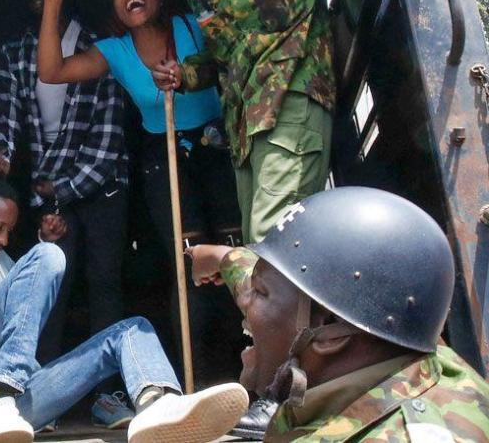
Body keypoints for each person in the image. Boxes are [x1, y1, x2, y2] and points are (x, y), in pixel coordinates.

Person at [0, 149, 249, 443]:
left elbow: (29, 287)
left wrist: (44, 242)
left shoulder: (7, 266)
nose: (3, 239)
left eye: (9, 232)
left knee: (133, 329)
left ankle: (158, 406)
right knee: (49, 257)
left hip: (8, 412)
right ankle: (4, 393)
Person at [34, 0, 244, 384]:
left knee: (239, 253)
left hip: (219, 149)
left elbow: (234, 59)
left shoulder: (192, 27)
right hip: (162, 157)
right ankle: (195, 377)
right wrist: (53, 0)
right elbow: (51, 71)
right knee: (188, 264)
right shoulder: (115, 50)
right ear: (113, 4)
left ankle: (251, 366)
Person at [157, 0, 386, 243]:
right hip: (243, 125)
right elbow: (227, 56)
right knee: (262, 245)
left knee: (273, 243)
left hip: (290, 99)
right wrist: (184, 75)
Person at [188, 187, 489, 441]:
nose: (246, 302)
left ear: (329, 330)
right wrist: (225, 257)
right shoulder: (404, 342)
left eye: (260, 293)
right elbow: (297, 291)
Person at [0, 0, 133, 428]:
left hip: (99, 184)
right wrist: (0, 159)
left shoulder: (97, 47)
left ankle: (108, 396)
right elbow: (5, 116)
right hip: (50, 189)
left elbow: (108, 143)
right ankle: (40, 397)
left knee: (105, 282)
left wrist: (60, 194)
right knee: (49, 287)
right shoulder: (16, 50)